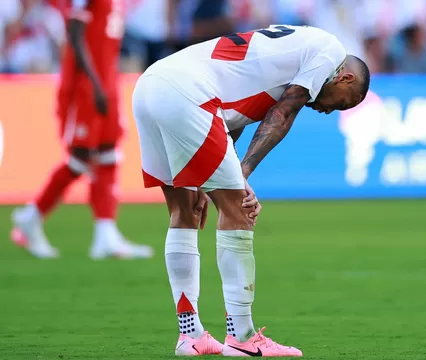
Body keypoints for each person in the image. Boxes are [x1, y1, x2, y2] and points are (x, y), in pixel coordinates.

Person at [132, 24, 369, 356]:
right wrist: (241, 174)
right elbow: (284, 111)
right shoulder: (330, 52)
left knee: (184, 211)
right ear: (345, 79)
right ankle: (242, 338)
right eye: (342, 105)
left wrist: (213, 176)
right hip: (191, 94)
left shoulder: (293, 50)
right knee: (239, 211)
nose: (330, 110)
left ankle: (190, 334)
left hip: (151, 86)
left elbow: (230, 124)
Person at [10, 0, 152, 260]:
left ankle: (105, 235)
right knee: (80, 158)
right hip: (85, 86)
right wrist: (95, 83)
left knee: (110, 154)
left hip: (107, 84)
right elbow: (75, 35)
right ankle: (31, 216)